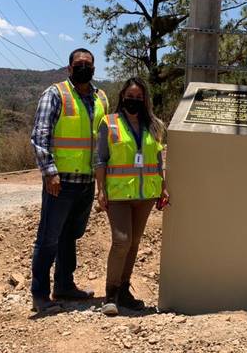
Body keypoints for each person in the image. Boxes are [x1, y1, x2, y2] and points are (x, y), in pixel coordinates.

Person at [29, 48, 109, 313]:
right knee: (48, 239)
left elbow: (104, 140)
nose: (84, 67)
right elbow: (40, 136)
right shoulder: (55, 94)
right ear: (70, 68)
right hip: (60, 183)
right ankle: (40, 295)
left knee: (69, 236)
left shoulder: (101, 98)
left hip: (86, 182)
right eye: (79, 64)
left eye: (88, 64)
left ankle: (64, 285)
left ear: (94, 68)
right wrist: (50, 172)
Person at [95, 77, 169, 316]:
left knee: (135, 242)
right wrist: (101, 190)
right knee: (121, 240)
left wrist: (162, 187)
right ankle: (111, 294)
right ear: (122, 97)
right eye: (130, 96)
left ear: (144, 100)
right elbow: (101, 160)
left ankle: (125, 292)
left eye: (139, 97)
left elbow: (157, 160)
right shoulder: (110, 123)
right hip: (118, 194)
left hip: (146, 194)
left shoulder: (155, 125)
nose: (134, 101)